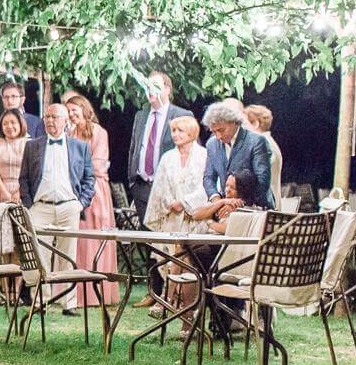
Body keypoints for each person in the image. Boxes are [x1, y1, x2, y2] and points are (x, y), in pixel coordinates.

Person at [20, 103, 96, 314]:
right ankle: (39, 302)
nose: (49, 121)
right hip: (40, 207)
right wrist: (29, 204)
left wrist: (80, 203)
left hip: (68, 207)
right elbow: (24, 178)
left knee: (68, 255)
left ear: (65, 121)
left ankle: (68, 303)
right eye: (47, 117)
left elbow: (90, 179)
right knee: (38, 254)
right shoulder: (32, 146)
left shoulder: (80, 147)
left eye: (54, 117)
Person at [126, 70, 193, 308]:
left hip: (169, 189)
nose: (149, 91)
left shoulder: (181, 115)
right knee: (150, 239)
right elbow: (136, 146)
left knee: (171, 240)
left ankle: (174, 290)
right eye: (146, 86)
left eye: (155, 86)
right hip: (143, 186)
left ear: (167, 89)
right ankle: (153, 291)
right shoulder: (141, 115)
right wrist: (132, 179)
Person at [65, 91, 119, 306]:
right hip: (72, 189)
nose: (71, 115)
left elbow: (97, 164)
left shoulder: (98, 132)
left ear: (84, 110)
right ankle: (76, 292)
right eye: (68, 112)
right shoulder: (68, 135)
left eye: (74, 110)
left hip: (94, 190)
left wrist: (75, 168)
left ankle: (98, 293)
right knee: (78, 241)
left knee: (94, 238)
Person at [201, 102, 276, 208]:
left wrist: (238, 204)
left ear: (235, 122)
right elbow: (208, 178)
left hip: (255, 208)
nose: (218, 136)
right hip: (225, 209)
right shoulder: (212, 144)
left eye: (221, 130)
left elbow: (262, 181)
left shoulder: (257, 141)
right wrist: (217, 200)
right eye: (213, 132)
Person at [0, 79, 44, 145]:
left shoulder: (36, 122)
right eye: (6, 97)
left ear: (22, 99)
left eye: (13, 96)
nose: (9, 100)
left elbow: (41, 150)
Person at [0, 110, 27, 203]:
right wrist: (3, 191)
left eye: (13, 122)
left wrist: (20, 191)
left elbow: (32, 173)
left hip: (22, 191)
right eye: (5, 124)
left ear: (20, 124)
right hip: (0, 190)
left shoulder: (29, 144)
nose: (9, 126)